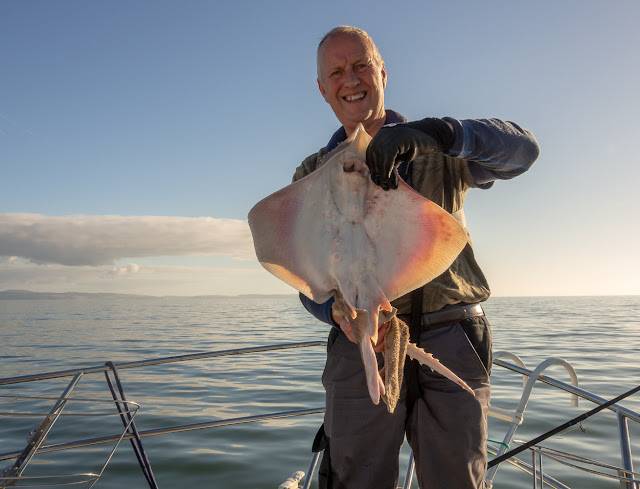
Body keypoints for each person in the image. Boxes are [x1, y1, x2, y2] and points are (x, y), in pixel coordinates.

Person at [292, 26, 540, 489]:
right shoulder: (311, 173)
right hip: (362, 335)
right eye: (337, 71)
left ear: (383, 72)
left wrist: (440, 133)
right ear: (323, 88)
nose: (352, 79)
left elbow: (524, 152)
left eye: (362, 65)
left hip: (452, 331)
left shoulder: (437, 150)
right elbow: (305, 276)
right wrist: (333, 311)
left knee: (457, 478)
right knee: (354, 478)